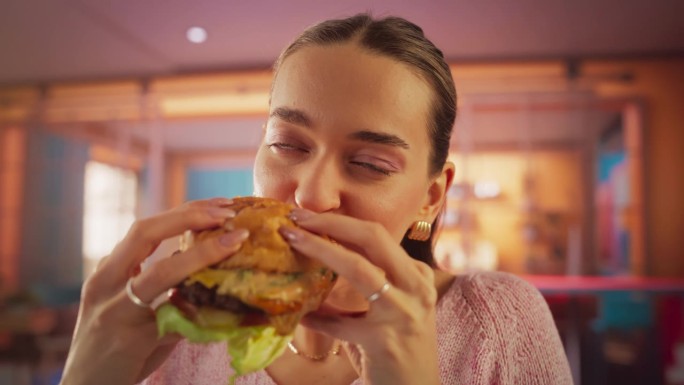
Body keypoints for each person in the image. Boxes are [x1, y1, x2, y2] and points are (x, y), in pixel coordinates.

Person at [60, 13, 573, 385]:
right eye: (287, 145)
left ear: (431, 197)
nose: (310, 193)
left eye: (371, 164)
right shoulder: (183, 332)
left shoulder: (499, 321)